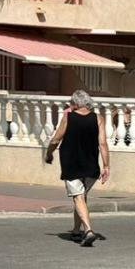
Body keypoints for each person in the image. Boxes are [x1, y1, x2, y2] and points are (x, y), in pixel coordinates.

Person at [44, 89, 109, 247]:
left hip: (72, 164)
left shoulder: (68, 117)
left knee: (78, 197)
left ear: (75, 104)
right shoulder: (98, 118)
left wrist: (49, 154)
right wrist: (106, 166)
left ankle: (88, 231)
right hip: (91, 164)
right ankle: (75, 230)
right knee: (81, 197)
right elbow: (102, 143)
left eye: (71, 103)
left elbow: (56, 139)